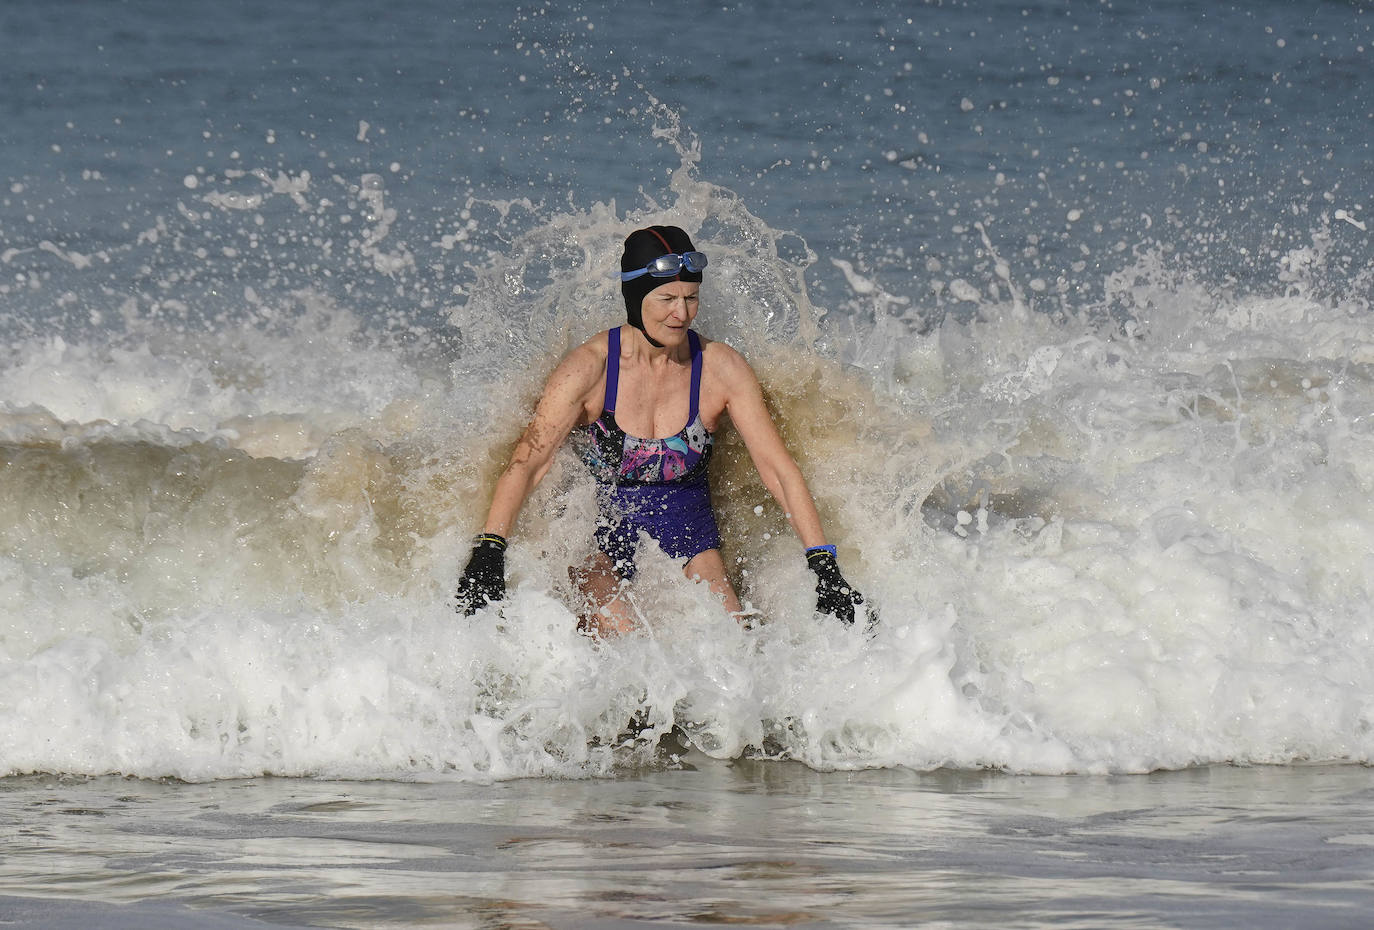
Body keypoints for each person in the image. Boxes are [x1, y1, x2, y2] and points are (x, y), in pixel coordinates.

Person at [455, 225, 866, 635]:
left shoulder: (720, 368)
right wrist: (490, 549)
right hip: (598, 539)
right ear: (635, 299)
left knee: (731, 645)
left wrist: (823, 564)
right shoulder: (590, 369)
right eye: (667, 299)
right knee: (628, 642)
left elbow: (776, 468)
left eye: (691, 299)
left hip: (689, 534)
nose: (681, 313)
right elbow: (529, 462)